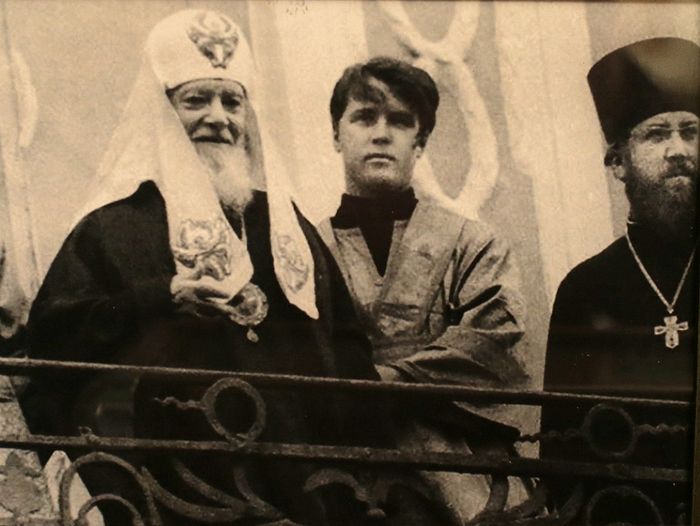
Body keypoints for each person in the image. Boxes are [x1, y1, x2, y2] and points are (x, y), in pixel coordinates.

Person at [22, 11, 442, 526]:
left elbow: (346, 345)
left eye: (232, 102)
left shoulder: (286, 226)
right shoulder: (112, 226)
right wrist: (158, 297)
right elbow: (52, 345)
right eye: (196, 100)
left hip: (305, 486)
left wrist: (374, 473)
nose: (218, 117)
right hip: (181, 490)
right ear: (162, 113)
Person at [317, 57, 532, 520]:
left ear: (421, 142)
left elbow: (494, 343)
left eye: (399, 121)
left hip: (460, 464)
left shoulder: (474, 244)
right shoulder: (302, 250)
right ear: (336, 135)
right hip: (341, 462)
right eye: (364, 117)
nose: (381, 134)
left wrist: (382, 382)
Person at [542, 37, 698, 525]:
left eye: (691, 132)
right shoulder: (585, 290)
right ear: (617, 164)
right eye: (656, 135)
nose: (678, 150)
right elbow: (562, 454)